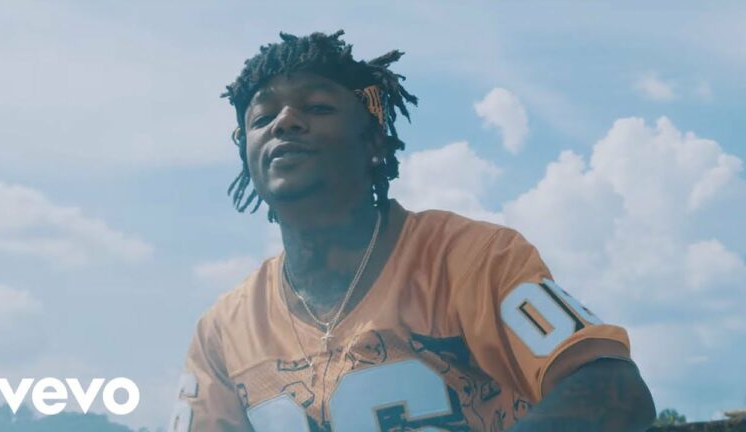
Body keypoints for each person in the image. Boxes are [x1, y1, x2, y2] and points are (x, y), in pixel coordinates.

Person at [169, 30, 655, 432]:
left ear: (374, 142)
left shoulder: (473, 259)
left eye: (317, 107)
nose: (286, 121)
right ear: (246, 157)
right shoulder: (222, 331)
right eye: (262, 116)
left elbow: (612, 390)